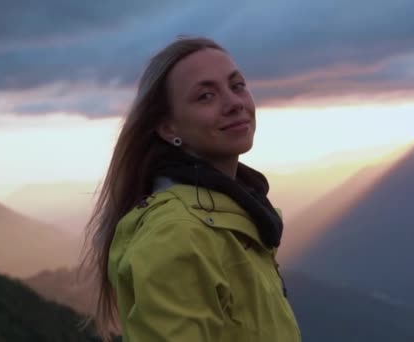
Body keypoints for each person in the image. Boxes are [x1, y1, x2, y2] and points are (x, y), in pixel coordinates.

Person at [81, 36, 301, 341]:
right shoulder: (177, 235)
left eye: (237, 85)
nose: (235, 103)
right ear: (169, 128)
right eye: (206, 96)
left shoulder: (239, 212)